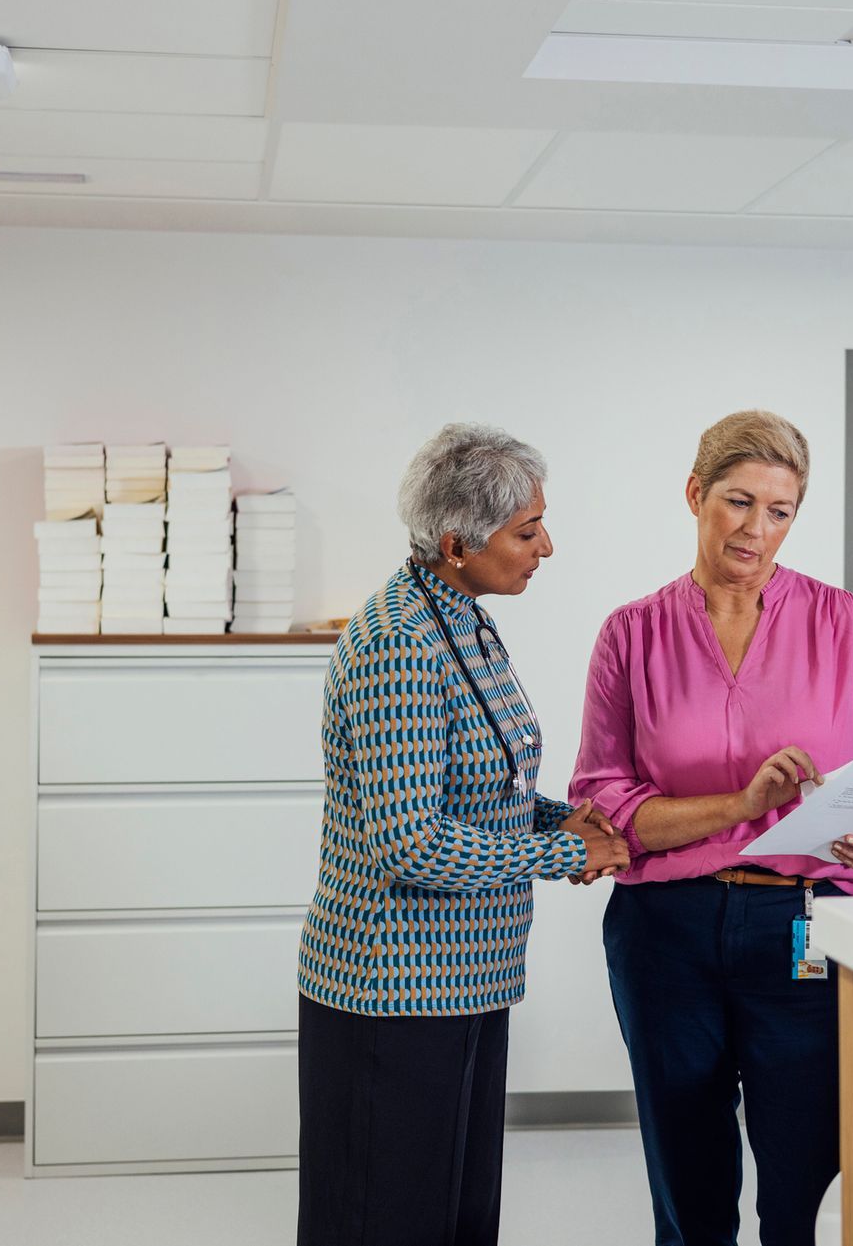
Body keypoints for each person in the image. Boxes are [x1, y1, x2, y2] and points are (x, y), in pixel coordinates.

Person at [571, 410, 853, 1246]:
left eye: (780, 510)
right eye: (739, 501)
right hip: (667, 930)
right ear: (696, 494)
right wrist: (739, 806)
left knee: (805, 1185)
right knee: (689, 1188)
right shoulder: (632, 634)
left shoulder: (846, 623)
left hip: (811, 926)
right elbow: (605, 801)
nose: (756, 529)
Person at [296, 423, 629, 1246]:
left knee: (458, 1216)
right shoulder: (400, 644)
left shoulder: (464, 618)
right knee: (390, 1219)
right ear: (455, 542)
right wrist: (563, 852)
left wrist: (564, 817)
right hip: (394, 990)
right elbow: (410, 841)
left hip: (468, 980)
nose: (546, 546)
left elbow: (487, 786)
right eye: (527, 530)